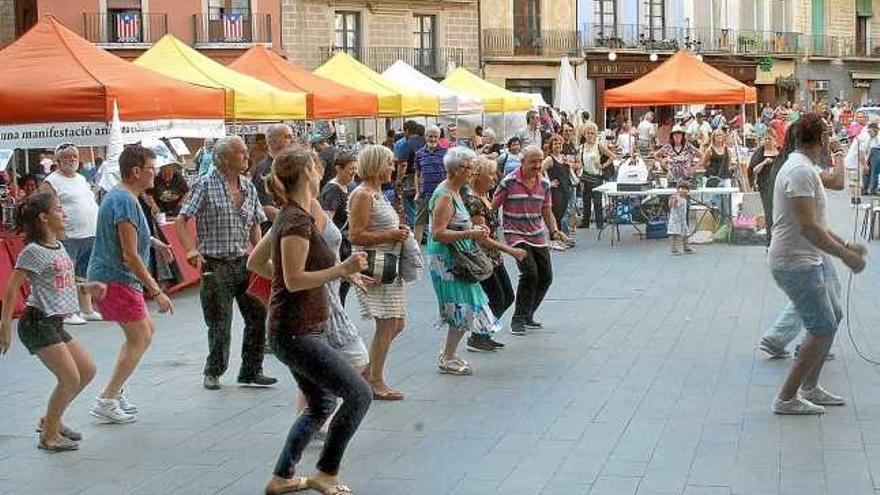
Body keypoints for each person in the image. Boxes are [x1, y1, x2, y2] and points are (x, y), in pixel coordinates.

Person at [252, 147, 372, 495]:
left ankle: (282, 477)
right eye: (318, 168)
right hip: (295, 331)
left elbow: (258, 265)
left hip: (299, 328)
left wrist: (338, 276)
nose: (321, 173)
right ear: (307, 172)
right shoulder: (295, 220)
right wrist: (341, 269)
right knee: (359, 394)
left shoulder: (294, 215)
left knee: (322, 402)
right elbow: (293, 279)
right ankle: (326, 472)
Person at [768, 113, 866, 415]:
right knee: (821, 327)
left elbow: (816, 223)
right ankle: (786, 397)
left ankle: (810, 387)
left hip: (806, 258)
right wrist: (846, 256)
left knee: (832, 316)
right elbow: (807, 228)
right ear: (822, 139)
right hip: (793, 261)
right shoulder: (799, 171)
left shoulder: (804, 168)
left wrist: (843, 244)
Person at [0, 193, 103, 451]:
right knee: (69, 378)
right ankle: (48, 437)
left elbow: (65, 279)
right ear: (43, 217)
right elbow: (12, 289)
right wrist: (4, 328)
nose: (64, 214)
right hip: (37, 322)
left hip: (54, 323)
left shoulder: (58, 245)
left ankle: (50, 421)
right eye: (58, 210)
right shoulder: (32, 251)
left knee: (87, 370)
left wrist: (86, 286)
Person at [175, 136, 276, 391]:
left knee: (257, 314)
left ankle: (252, 370)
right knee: (220, 321)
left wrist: (262, 254)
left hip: (244, 261)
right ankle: (214, 370)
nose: (246, 156)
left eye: (245, 152)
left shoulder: (248, 186)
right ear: (223, 158)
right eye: (240, 153)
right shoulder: (205, 185)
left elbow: (255, 223)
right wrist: (189, 249)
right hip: (214, 263)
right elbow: (181, 219)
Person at [87, 145, 174, 424]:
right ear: (136, 171)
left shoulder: (124, 197)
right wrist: (156, 290)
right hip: (116, 278)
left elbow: (131, 236)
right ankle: (107, 399)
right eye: (152, 169)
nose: (156, 174)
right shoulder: (124, 200)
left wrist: (154, 241)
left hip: (118, 277)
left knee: (143, 333)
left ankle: (114, 391)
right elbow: (129, 253)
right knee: (140, 336)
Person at [427, 147, 502, 373]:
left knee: (468, 304)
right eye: (470, 168)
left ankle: (449, 354)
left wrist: (474, 229)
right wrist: (470, 233)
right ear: (457, 169)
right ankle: (448, 356)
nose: (473, 173)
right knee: (461, 306)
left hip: (458, 257)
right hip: (448, 260)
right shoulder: (445, 195)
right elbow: (438, 233)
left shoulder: (456, 191)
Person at [348, 145, 411, 401]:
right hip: (375, 266)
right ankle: (374, 379)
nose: (392, 168)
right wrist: (391, 234)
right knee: (387, 323)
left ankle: (367, 373)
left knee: (396, 323)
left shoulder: (378, 193)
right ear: (375, 165)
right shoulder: (363, 194)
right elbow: (355, 235)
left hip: (389, 266)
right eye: (388, 163)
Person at [493, 145, 569, 336]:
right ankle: (517, 319)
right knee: (530, 274)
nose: (537, 165)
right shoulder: (508, 182)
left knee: (546, 277)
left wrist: (554, 231)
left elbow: (546, 210)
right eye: (532, 162)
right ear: (522, 162)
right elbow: (493, 206)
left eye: (539, 161)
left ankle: (528, 314)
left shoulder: (544, 184)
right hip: (514, 233)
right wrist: (488, 230)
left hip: (537, 234)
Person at [465, 157, 526, 349]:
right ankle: (478, 334)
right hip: (483, 257)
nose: (494, 178)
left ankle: (483, 332)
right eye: (490, 174)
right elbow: (481, 236)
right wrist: (510, 250)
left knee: (506, 296)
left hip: (493, 256)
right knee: (497, 297)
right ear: (478, 176)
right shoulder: (474, 200)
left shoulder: (485, 196)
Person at [42, 143, 102, 326]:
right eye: (67, 157)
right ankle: (67, 312)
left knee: (84, 274)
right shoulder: (51, 181)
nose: (71, 160)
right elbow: (46, 209)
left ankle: (86, 309)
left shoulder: (81, 179)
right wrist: (55, 232)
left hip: (89, 234)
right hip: (67, 235)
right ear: (58, 160)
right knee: (65, 275)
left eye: (74, 157)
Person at [320, 152, 358, 305]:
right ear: (338, 169)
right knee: (338, 285)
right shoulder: (332, 190)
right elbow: (326, 222)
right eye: (350, 169)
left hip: (345, 243)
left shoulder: (349, 186)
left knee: (344, 286)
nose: (354, 172)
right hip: (337, 245)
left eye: (355, 168)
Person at [252, 124, 295, 226]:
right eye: (288, 137)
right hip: (274, 230)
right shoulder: (266, 170)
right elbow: (266, 208)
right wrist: (294, 225)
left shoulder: (283, 165)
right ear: (273, 141)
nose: (293, 140)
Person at [577, 122, 617, 230]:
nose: (590, 135)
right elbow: (579, 163)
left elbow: (612, 156)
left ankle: (600, 225)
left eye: (592, 133)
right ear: (584, 134)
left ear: (595, 135)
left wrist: (603, 165)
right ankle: (585, 223)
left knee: (598, 202)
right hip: (585, 177)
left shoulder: (599, 146)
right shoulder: (581, 148)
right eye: (588, 133)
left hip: (597, 177)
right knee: (586, 202)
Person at [413, 126, 447, 244]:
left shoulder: (445, 153)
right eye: (430, 136)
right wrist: (417, 192)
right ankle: (416, 250)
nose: (432, 139)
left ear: (439, 137)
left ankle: (438, 248)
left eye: (435, 136)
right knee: (419, 222)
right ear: (425, 137)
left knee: (440, 222)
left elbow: (449, 174)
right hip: (424, 193)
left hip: (441, 194)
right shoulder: (419, 154)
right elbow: (417, 175)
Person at [543, 134, 575, 249]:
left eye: (560, 143)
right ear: (551, 146)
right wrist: (549, 183)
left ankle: (559, 238)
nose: (558, 145)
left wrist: (569, 166)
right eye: (555, 143)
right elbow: (539, 171)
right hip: (555, 192)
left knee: (561, 215)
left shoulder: (564, 158)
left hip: (565, 190)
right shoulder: (549, 159)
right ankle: (554, 239)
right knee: (555, 215)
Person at [748, 131, 780, 245]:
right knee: (769, 212)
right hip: (765, 186)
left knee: (779, 212)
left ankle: (779, 239)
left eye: (769, 139)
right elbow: (754, 170)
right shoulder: (760, 153)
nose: (767, 141)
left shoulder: (779, 152)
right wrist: (764, 162)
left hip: (778, 186)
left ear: (775, 140)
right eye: (765, 139)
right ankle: (770, 241)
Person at [667, 182, 693, 255]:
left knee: (685, 233)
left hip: (682, 219)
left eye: (686, 189)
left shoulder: (685, 198)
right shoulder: (675, 197)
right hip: (675, 220)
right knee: (673, 234)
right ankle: (673, 249)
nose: (684, 190)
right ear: (678, 189)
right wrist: (674, 199)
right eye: (682, 188)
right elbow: (671, 205)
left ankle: (686, 247)